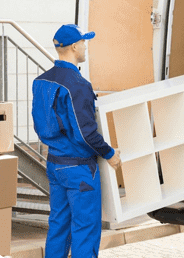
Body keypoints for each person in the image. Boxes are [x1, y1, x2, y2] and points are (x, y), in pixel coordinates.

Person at [31, 24, 121, 258]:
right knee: (85, 230)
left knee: (59, 227)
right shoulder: (78, 84)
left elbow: (39, 123)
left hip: (55, 163)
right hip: (79, 169)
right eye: (83, 42)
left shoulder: (41, 81)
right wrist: (110, 153)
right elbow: (85, 133)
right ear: (73, 46)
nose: (85, 46)